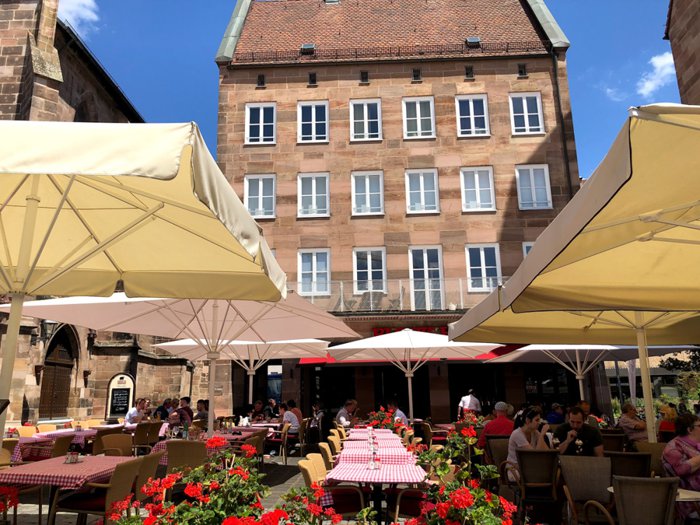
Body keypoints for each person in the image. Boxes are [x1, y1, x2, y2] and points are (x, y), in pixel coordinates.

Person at [662, 413, 700, 520]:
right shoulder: (673, 448)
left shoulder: (694, 445)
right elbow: (681, 469)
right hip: (690, 501)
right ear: (690, 429)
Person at [506, 407, 550, 480]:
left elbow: (546, 452)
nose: (539, 423)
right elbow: (533, 455)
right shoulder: (517, 434)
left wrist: (540, 437)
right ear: (528, 420)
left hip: (529, 467)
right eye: (537, 420)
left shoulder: (535, 432)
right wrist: (542, 435)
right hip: (515, 469)